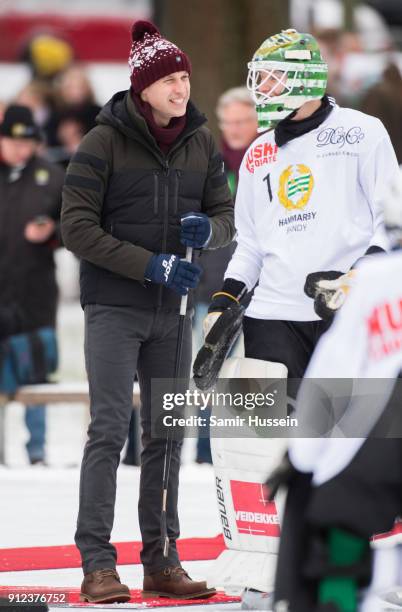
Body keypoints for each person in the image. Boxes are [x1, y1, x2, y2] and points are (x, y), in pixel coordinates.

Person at [203, 28, 400, 610]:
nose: (260, 88)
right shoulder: (260, 149)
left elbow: (387, 225)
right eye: (257, 76)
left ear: (306, 76)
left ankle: (361, 562)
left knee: (353, 443)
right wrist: (226, 304)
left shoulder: (363, 132)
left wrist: (352, 279)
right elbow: (250, 246)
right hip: (272, 315)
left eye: (270, 76)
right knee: (263, 447)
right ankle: (267, 571)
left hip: (343, 315)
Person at [61, 20, 234, 604]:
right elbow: (76, 228)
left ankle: (162, 559)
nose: (182, 89)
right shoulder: (101, 143)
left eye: (185, 78)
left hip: (174, 314)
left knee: (168, 435)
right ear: (144, 87)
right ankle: (98, 564)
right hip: (115, 308)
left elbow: (229, 215)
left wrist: (210, 230)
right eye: (171, 80)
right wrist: (149, 265)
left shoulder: (201, 141)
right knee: (109, 432)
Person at [269, 170, 402, 611]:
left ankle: (337, 593)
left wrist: (302, 456)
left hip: (380, 432)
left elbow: (333, 372)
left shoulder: (379, 279)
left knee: (337, 530)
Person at [194, 86, 258, 464]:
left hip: (262, 290)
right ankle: (205, 451)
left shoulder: (270, 159)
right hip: (214, 285)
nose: (234, 129)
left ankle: (250, 449)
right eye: (228, 122)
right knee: (208, 367)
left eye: (241, 121)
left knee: (253, 371)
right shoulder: (209, 164)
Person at [0, 104, 64, 464]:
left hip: (35, 292)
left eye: (27, 144)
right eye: (13, 143)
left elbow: (75, 227)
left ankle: (36, 450)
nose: (20, 150)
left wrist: (51, 233)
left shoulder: (52, 176)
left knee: (36, 369)